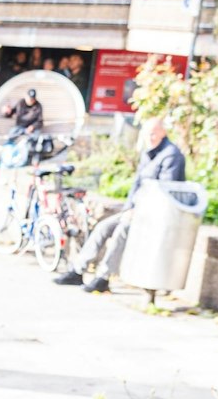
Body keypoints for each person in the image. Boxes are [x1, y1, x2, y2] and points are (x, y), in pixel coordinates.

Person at [54, 115, 187, 293]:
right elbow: (137, 184)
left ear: (163, 132)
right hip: (138, 210)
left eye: (154, 133)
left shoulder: (171, 155)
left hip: (155, 214)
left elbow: (163, 191)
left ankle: (103, 277)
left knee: (122, 230)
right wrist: (129, 208)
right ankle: (78, 270)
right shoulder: (149, 152)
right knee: (103, 227)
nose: (150, 137)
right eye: (147, 133)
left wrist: (136, 212)